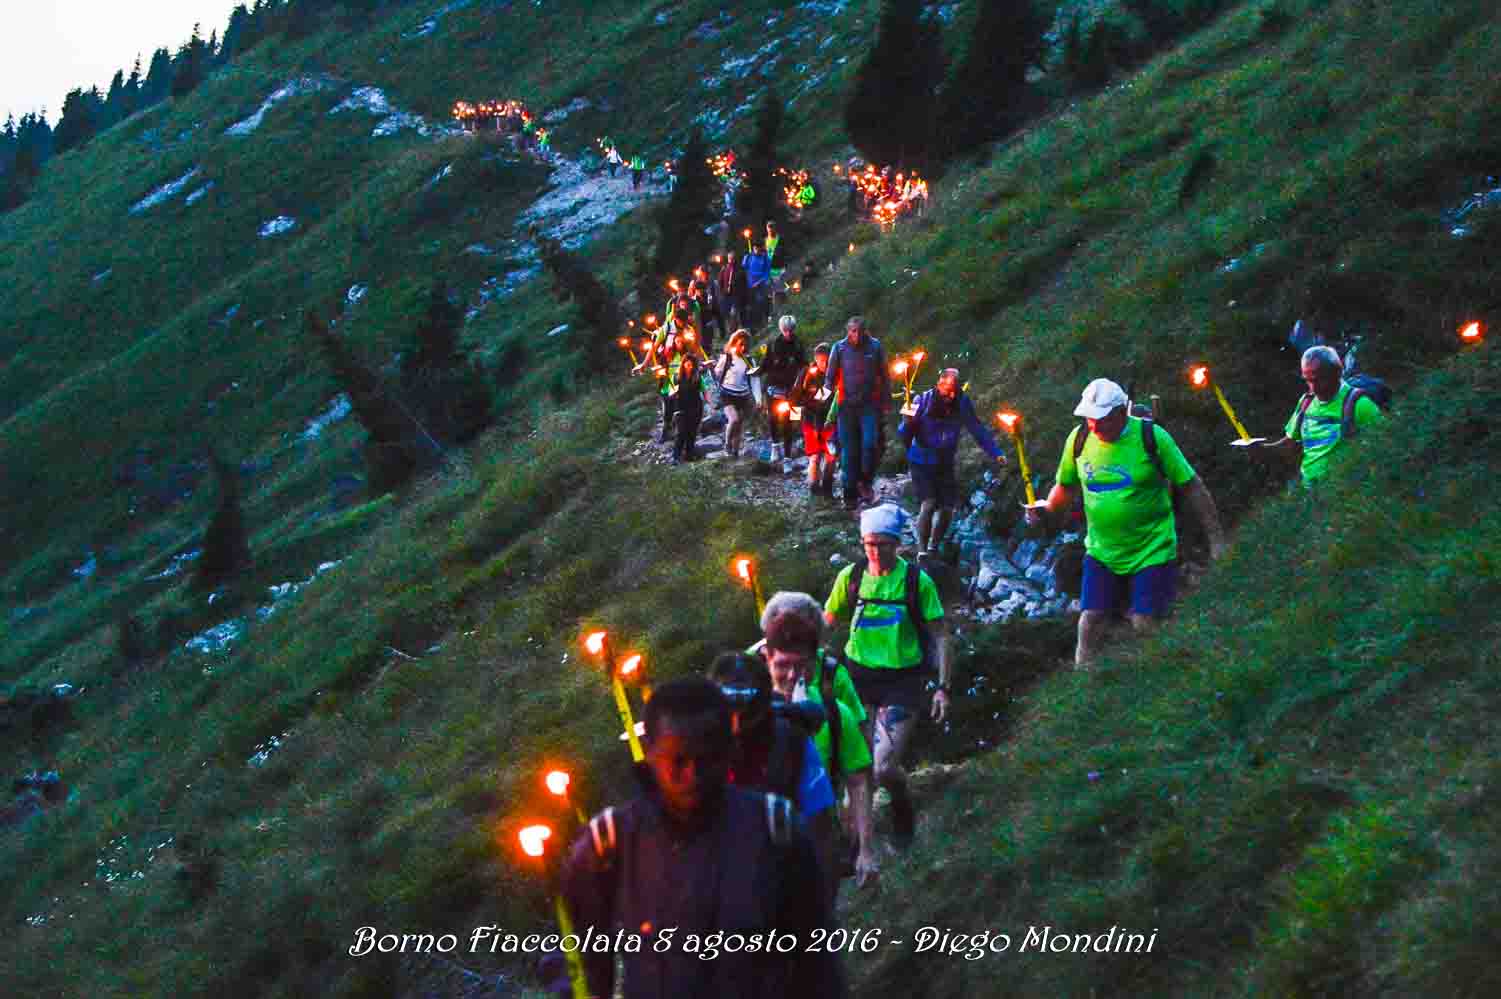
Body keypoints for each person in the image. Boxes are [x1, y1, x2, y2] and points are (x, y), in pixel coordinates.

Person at [558, 677, 844, 999]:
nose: (692, 775)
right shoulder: (610, 844)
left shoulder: (774, 829)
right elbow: (581, 957)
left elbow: (817, 958)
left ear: (730, 751)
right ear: (650, 755)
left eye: (707, 758)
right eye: (677, 761)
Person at [1025, 378, 1228, 665]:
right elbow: (1065, 488)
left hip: (1152, 547)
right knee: (1090, 622)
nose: (1093, 425)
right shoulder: (1079, 440)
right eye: (1089, 418)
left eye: (1101, 419)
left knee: (1145, 622)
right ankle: (1083, 689)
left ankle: (1169, 669)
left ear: (1121, 413)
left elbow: (1192, 486)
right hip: (1102, 551)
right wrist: (1044, 511)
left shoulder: (1152, 437)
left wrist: (1216, 540)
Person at [823, 504, 949, 847]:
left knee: (882, 768)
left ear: (897, 544)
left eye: (882, 544)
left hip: (902, 681)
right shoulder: (851, 577)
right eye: (869, 544)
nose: (875, 552)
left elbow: (940, 634)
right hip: (857, 678)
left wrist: (942, 686)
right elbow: (826, 623)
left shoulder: (915, 582)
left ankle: (902, 803)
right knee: (857, 772)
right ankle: (853, 853)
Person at [754, 591, 879, 889]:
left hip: (816, 836)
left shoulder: (835, 706)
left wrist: (865, 848)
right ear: (767, 656)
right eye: (783, 666)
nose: (793, 676)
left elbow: (859, 775)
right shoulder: (746, 710)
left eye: (802, 667)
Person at [707, 652, 839, 899]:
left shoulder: (790, 739)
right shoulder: (701, 750)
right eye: (729, 706)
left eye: (745, 706)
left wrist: (823, 908)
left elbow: (822, 828)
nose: (737, 721)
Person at [898, 368, 1008, 557]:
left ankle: (934, 546)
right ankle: (922, 550)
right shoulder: (921, 401)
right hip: (921, 460)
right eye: (947, 389)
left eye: (954, 390)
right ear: (939, 384)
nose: (950, 395)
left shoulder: (962, 403)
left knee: (947, 507)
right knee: (929, 503)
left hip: (944, 461)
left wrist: (995, 452)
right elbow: (903, 434)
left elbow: (977, 429)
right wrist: (906, 422)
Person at [1245, 344, 1384, 484]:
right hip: (1309, 490)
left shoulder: (1360, 404)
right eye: (1308, 380)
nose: (1314, 388)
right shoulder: (1307, 401)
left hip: (1343, 491)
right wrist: (1262, 450)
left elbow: (1382, 448)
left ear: (1337, 372)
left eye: (1319, 380)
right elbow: (1290, 444)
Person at [824, 316, 889, 509]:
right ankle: (849, 495)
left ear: (865, 330)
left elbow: (884, 375)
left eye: (860, 331)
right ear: (847, 331)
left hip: (869, 404)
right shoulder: (839, 348)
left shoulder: (875, 347)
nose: (856, 335)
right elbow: (829, 377)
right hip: (846, 406)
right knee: (849, 452)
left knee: (870, 444)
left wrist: (886, 400)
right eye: (853, 331)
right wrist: (824, 400)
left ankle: (865, 482)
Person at [762, 315, 808, 472]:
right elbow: (766, 364)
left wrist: (802, 381)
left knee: (791, 421)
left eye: (791, 330)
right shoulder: (773, 344)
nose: (788, 333)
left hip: (793, 390)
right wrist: (756, 372)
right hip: (773, 388)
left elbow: (804, 365)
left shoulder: (799, 344)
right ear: (781, 330)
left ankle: (788, 458)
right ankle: (775, 446)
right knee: (773, 418)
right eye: (785, 330)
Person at [796, 343, 837, 498]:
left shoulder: (836, 374)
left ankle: (827, 488)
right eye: (821, 361)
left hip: (830, 422)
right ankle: (813, 487)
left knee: (831, 457)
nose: (825, 365)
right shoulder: (806, 374)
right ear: (815, 359)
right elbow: (795, 396)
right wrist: (795, 420)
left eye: (828, 361)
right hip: (811, 421)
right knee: (814, 456)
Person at [715, 330, 755, 459]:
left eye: (746, 345)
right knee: (734, 419)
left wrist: (758, 399)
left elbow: (754, 380)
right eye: (741, 344)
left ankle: (735, 453)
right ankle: (727, 444)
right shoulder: (727, 357)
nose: (743, 348)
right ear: (735, 343)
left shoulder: (749, 360)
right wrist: (711, 369)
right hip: (727, 393)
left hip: (743, 395)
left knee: (740, 425)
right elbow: (717, 373)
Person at [672, 354, 705, 464]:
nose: (690, 367)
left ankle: (689, 455)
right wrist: (673, 394)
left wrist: (709, 402)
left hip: (695, 407)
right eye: (688, 364)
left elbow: (704, 390)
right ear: (683, 364)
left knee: (692, 432)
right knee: (681, 432)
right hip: (681, 407)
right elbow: (670, 392)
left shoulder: (698, 376)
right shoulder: (677, 377)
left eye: (692, 365)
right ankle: (676, 456)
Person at [719, 251, 749, 332]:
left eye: (732, 259)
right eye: (729, 259)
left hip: (737, 295)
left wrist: (744, 294)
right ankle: (733, 330)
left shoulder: (740, 269)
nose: (731, 260)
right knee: (729, 314)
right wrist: (722, 291)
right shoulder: (724, 269)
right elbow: (720, 281)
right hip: (727, 295)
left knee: (734, 312)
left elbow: (744, 282)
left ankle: (737, 329)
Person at [744, 242, 772, 329]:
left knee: (763, 302)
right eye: (754, 249)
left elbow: (767, 272)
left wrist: (760, 282)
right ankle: (756, 325)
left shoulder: (765, 258)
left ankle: (766, 320)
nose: (756, 250)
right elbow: (744, 267)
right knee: (753, 306)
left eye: (758, 249)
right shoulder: (749, 257)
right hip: (750, 285)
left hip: (761, 284)